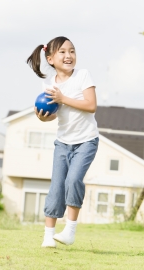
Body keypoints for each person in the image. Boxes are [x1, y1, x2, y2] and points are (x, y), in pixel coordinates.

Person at [27, 36, 99, 248]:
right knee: (56, 187)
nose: (69, 56)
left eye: (72, 51)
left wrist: (62, 98)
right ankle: (48, 236)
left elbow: (91, 105)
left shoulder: (83, 76)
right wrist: (43, 117)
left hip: (86, 141)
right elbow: (55, 114)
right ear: (50, 59)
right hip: (63, 143)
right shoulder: (49, 84)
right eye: (63, 52)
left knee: (73, 181)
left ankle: (70, 230)